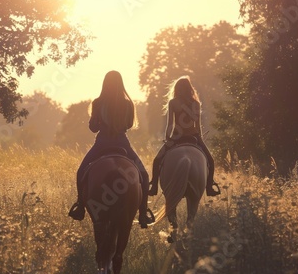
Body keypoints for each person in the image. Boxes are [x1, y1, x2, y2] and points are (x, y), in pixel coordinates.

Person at [68, 70, 155, 228]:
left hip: (102, 143)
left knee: (81, 171)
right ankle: (143, 212)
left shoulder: (97, 103)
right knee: (143, 174)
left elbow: (93, 128)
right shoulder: (128, 104)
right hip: (122, 144)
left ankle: (80, 206)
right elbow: (129, 125)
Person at [148, 76, 220, 197]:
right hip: (194, 137)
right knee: (211, 161)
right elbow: (198, 126)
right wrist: (200, 139)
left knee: (157, 161)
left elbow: (170, 124)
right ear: (190, 89)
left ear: (177, 89)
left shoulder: (173, 103)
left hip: (176, 138)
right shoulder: (196, 104)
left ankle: (154, 186)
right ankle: (209, 187)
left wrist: (168, 138)